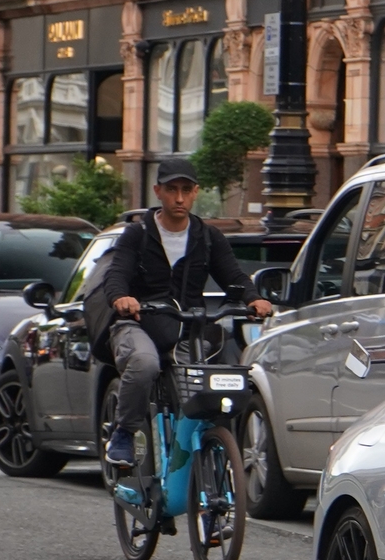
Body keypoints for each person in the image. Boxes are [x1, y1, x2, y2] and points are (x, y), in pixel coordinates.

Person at [97, 157, 274, 467]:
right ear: (158, 192)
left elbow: (233, 276)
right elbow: (117, 274)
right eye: (171, 190)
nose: (179, 198)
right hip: (138, 324)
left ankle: (207, 447)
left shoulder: (208, 237)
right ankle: (124, 434)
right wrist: (122, 297)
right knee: (144, 363)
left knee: (208, 381)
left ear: (196, 192)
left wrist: (254, 298)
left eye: (186, 190)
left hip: (186, 329)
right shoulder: (137, 235)